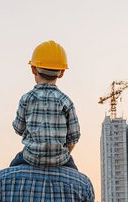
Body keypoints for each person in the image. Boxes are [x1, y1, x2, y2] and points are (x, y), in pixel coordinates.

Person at [10, 40, 80, 170]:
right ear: (62, 73)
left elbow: (18, 129)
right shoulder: (66, 101)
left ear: (33, 69)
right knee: (76, 174)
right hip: (61, 159)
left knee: (11, 168)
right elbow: (74, 137)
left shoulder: (26, 99)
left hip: (30, 158)